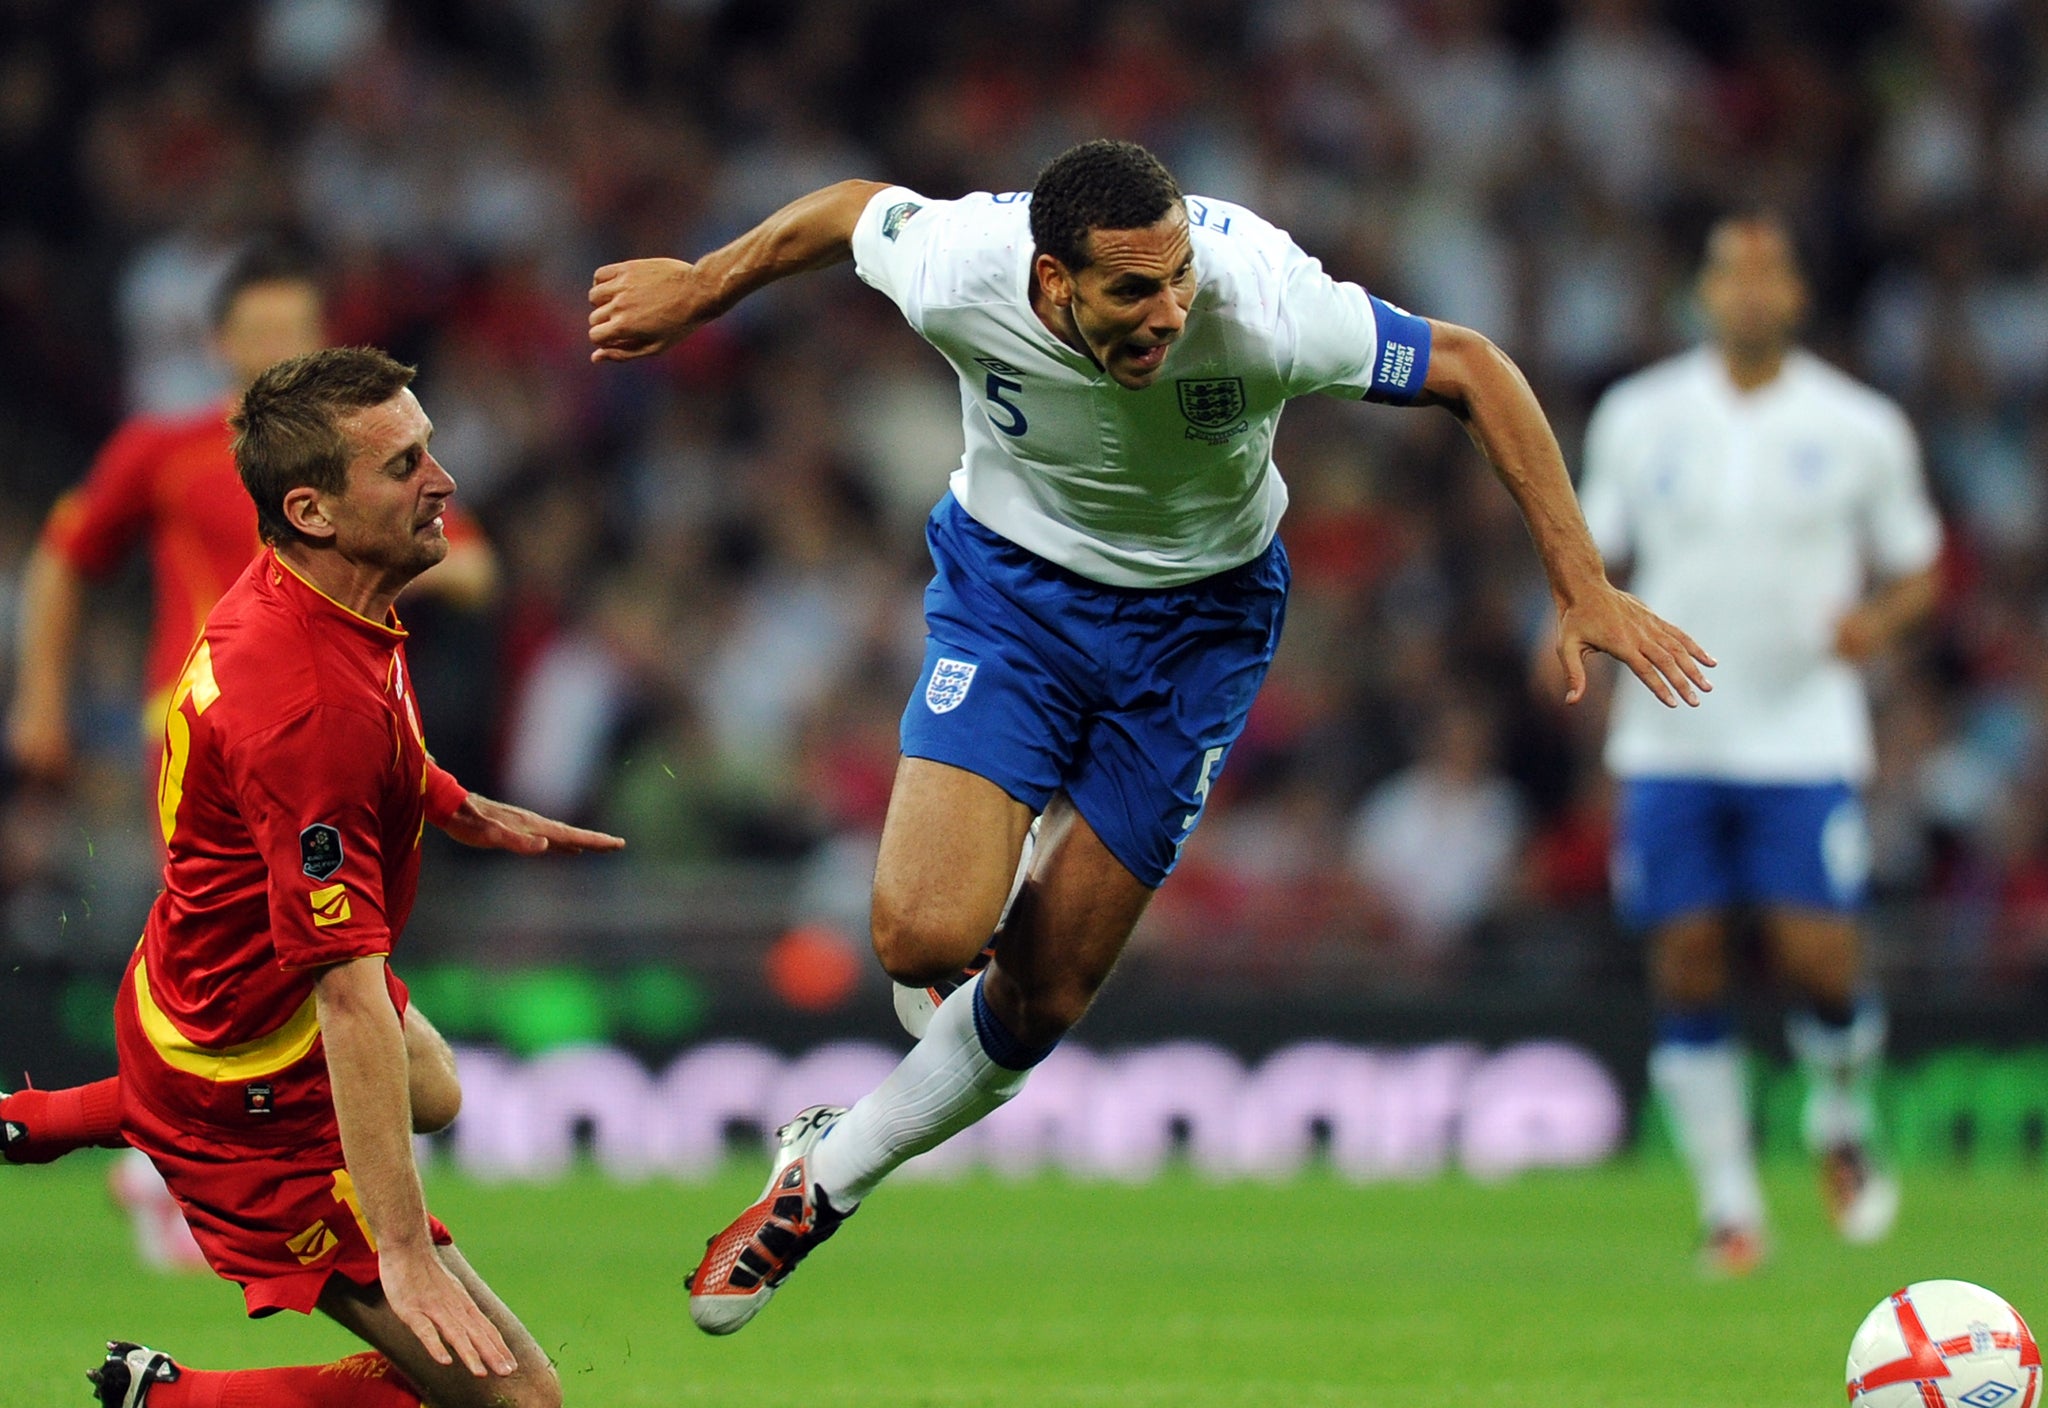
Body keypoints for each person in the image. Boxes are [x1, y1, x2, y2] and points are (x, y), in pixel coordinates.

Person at [588, 139, 1714, 1335]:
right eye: (1132, 290)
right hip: (1014, 598)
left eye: (1176, 278)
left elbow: (1472, 369)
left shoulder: (1267, 303)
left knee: (1043, 999)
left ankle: (829, 1175)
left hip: (1198, 630)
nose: (1168, 311)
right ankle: (956, 946)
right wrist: (706, 286)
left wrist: (1578, 582)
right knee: (920, 933)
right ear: (1052, 281)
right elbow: (853, 212)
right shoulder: (960, 265)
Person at [60, 345, 621, 1408]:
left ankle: (114, 1108)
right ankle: (166, 1403)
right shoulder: (301, 698)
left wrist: (458, 807)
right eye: (405, 462)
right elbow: (349, 997)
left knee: (441, 1092)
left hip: (207, 993)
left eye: (430, 445)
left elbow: (376, 752)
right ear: (311, 508)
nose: (444, 480)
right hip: (247, 1088)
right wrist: (403, 1255)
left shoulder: (325, 600)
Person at [0, 245, 497, 1260]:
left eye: (293, 331)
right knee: (253, 960)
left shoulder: (360, 469)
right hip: (206, 745)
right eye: (258, 333)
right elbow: (63, 556)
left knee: (319, 964)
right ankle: (207, 1165)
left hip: (338, 737)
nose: (275, 348)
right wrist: (41, 698)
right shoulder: (166, 450)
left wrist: (385, 570)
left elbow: (479, 571)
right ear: (220, 343)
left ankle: (138, 1141)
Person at [1577, 213, 1941, 1274]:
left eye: (1765, 274)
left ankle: (1837, 1117)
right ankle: (1730, 1207)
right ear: (1702, 292)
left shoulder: (1857, 423)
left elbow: (1918, 562)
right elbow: (1588, 550)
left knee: (1816, 955)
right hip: (1666, 734)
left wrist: (1872, 625)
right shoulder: (1639, 415)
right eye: (1727, 274)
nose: (1745, 292)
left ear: (1793, 296)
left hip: (1800, 732)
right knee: (1684, 957)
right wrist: (1582, 612)